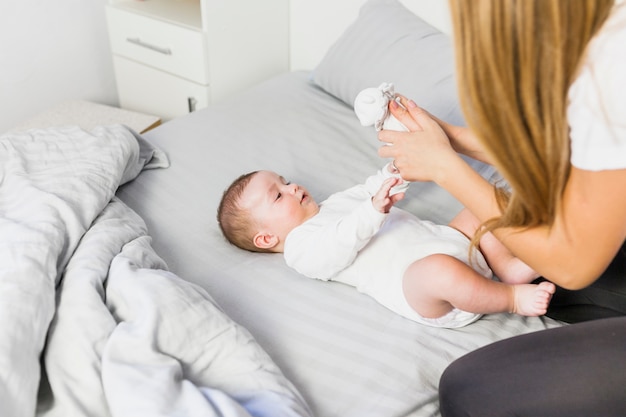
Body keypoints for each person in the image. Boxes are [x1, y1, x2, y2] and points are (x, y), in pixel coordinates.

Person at [377, 0, 626, 414]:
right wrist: (453, 139)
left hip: (579, 257)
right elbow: (578, 160)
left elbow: (573, 263)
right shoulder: (596, 43)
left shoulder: (610, 63)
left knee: (471, 393)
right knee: (543, 278)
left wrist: (448, 169)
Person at [217, 163, 555, 329]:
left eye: (285, 182)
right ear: (266, 239)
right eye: (278, 195)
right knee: (439, 270)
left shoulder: (336, 202)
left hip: (452, 241)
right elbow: (337, 245)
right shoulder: (300, 249)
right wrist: (373, 209)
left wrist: (396, 170)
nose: (291, 188)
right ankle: (510, 299)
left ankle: (507, 268)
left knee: (484, 202)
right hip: (423, 289)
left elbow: (372, 187)